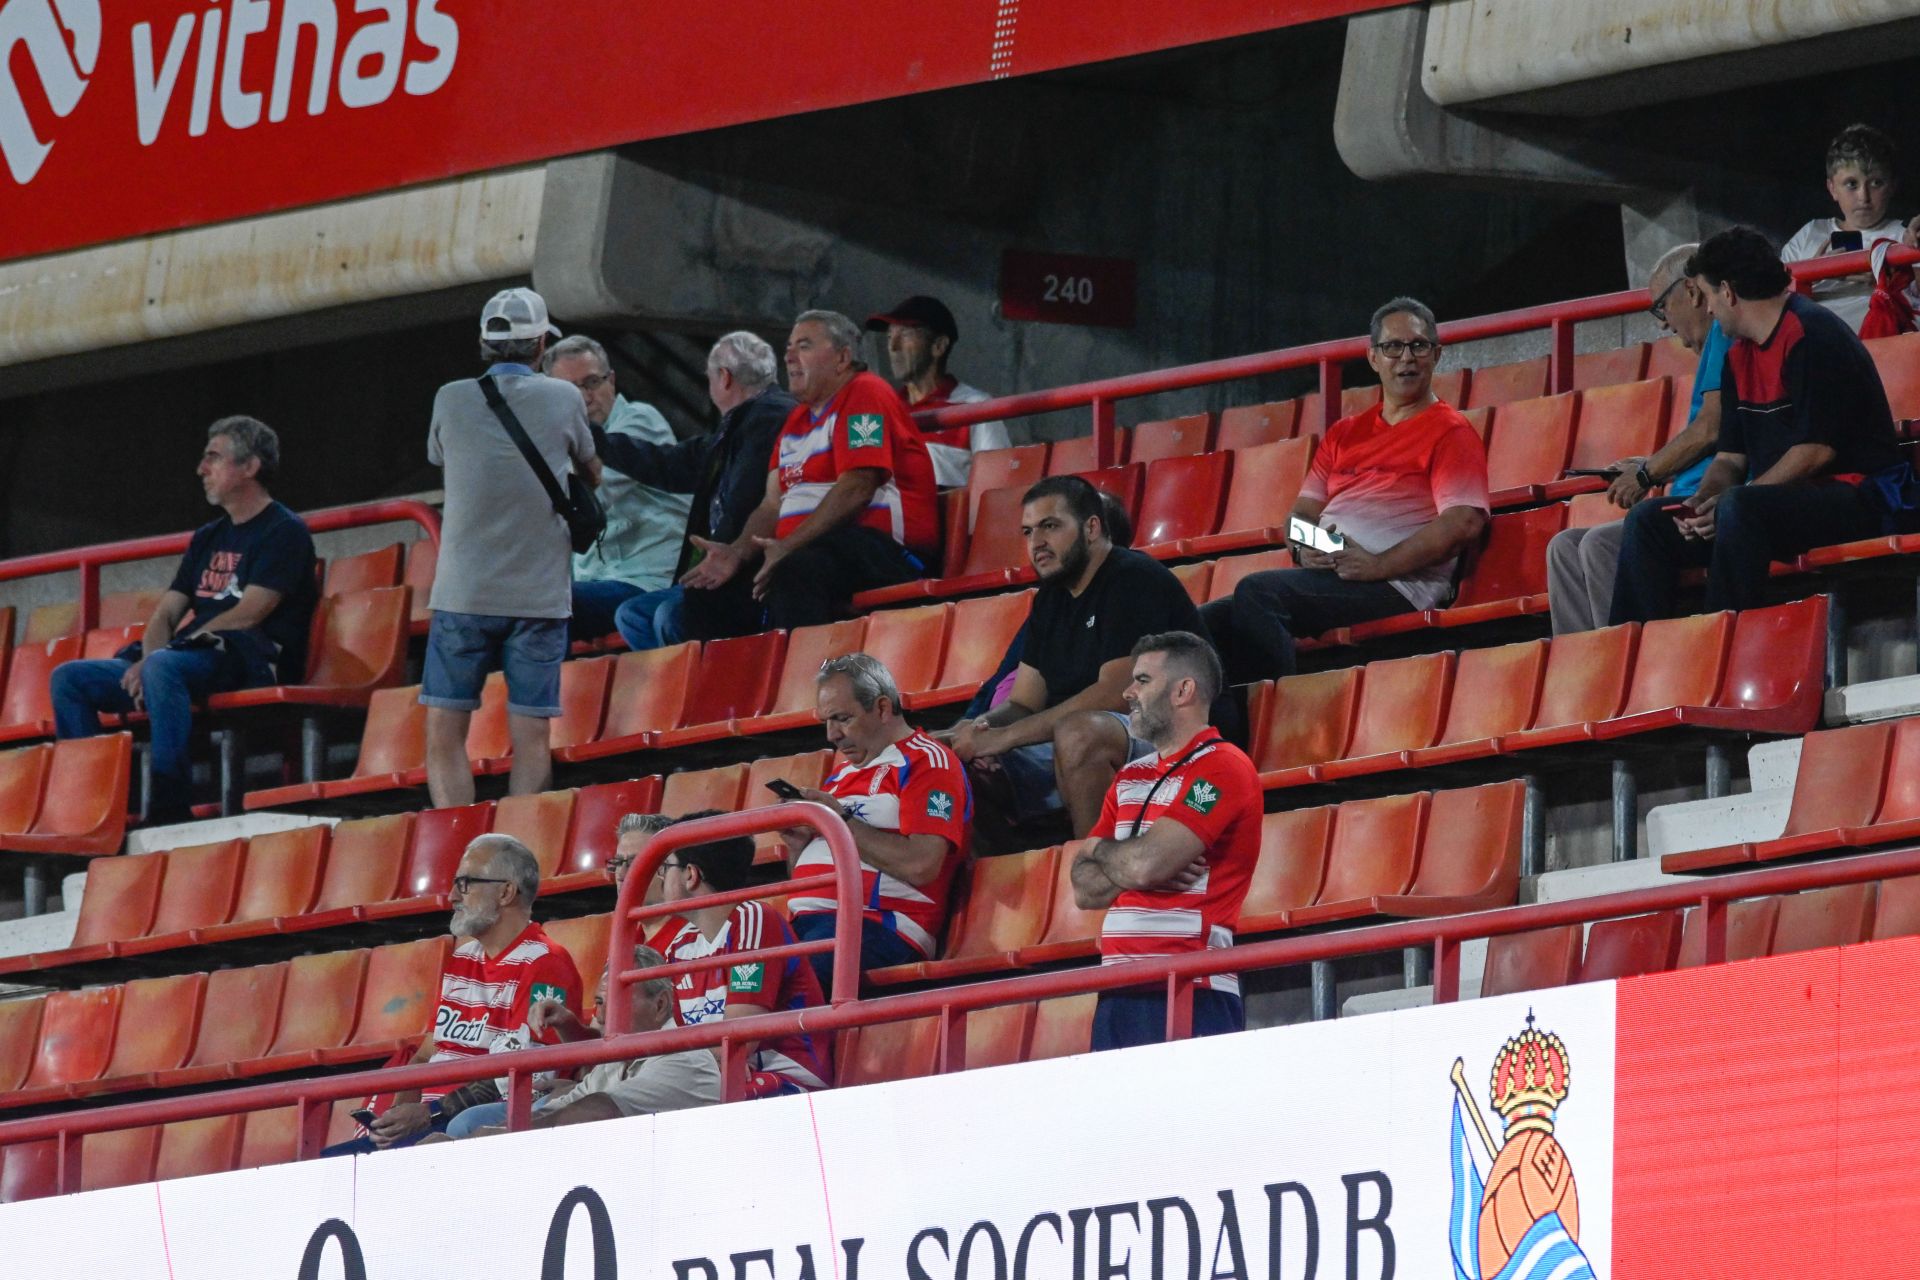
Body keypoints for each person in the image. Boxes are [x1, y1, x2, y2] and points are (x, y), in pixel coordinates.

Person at [1610, 227, 1907, 623]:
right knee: (1651, 522)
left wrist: (1734, 500)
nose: (1710, 310)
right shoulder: (1738, 355)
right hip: (1776, 503)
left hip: (1859, 496)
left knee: (1739, 508)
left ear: (1728, 292)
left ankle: (1722, 641)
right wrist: (1702, 503)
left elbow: (1816, 450)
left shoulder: (1813, 333)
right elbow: (1730, 458)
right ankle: (1643, 652)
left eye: (1709, 295)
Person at [1199, 298, 1489, 684]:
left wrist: (1378, 565)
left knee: (1259, 591)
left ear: (1436, 355)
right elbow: (1299, 516)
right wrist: (1307, 548)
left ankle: (1276, 717)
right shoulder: (1344, 433)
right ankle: (1228, 724)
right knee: (1198, 624)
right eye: (1392, 347)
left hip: (1397, 583)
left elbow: (1464, 523)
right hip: (1338, 571)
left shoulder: (1451, 432)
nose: (1407, 358)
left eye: (1418, 346)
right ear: (1373, 358)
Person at [51, 417, 317, 825]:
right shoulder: (207, 537)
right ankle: (92, 813)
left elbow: (249, 613)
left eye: (213, 457)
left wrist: (161, 659)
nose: (200, 469)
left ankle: (168, 808)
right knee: (69, 679)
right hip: (185, 658)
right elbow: (166, 613)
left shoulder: (285, 531)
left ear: (250, 467)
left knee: (162, 666)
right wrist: (151, 659)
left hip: (250, 659)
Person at [946, 475, 1203, 842]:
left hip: (1171, 733)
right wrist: (975, 730)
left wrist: (1005, 739)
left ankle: (1095, 874)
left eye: (1050, 526)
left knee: (1080, 733)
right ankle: (1009, 884)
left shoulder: (1133, 578)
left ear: (1092, 527)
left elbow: (1117, 694)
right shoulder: (1050, 598)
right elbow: (1022, 702)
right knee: (945, 758)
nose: (1037, 543)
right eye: (1028, 532)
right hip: (1085, 736)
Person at [422, 287, 597, 809]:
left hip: (463, 592)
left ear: (484, 341)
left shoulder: (450, 397)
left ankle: (463, 858)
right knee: (532, 738)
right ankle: (519, 851)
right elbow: (592, 471)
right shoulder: (564, 397)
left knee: (444, 735)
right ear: (542, 342)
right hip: (538, 594)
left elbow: (439, 455)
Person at [327, 835, 584, 1153]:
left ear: (505, 892)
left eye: (465, 884)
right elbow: (425, 1054)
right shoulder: (463, 957)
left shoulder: (546, 962)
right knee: (329, 1162)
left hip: (470, 1128)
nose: (451, 896)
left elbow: (524, 1079)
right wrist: (395, 1119)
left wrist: (429, 1113)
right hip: (427, 1122)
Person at [684, 310, 940, 629]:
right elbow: (771, 505)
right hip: (812, 552)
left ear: (843, 357)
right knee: (707, 598)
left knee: (794, 571)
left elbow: (859, 486)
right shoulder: (795, 421)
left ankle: (811, 677)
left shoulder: (866, 392)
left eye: (804, 346)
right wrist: (736, 553)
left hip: (888, 551)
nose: (788, 356)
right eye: (789, 346)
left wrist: (788, 546)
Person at [1070, 632, 1261, 1051]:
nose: (1127, 692)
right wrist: (1129, 860)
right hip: (1118, 986)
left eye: (1141, 680)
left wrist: (1102, 852)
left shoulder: (1223, 765)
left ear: (1182, 691)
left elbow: (1144, 865)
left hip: (1189, 985)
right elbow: (1084, 889)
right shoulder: (1128, 777)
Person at [1546, 244, 1732, 633]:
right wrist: (1647, 465)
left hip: (1708, 505)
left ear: (1692, 292)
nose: (1663, 323)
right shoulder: (1710, 346)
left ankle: (1619, 663)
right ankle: (1577, 665)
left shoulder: (1723, 333)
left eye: (1661, 308)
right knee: (1562, 547)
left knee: (1598, 545)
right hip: (1682, 496)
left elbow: (1712, 429)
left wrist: (1648, 473)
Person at [594, 332, 798, 649]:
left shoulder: (769, 416)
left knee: (668, 617)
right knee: (633, 615)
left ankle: (706, 694)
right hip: (728, 569)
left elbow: (747, 503)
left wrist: (729, 558)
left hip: (751, 574)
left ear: (724, 378)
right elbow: (668, 464)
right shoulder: (736, 426)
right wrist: (591, 438)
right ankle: (675, 694)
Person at [780, 653, 970, 993]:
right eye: (826, 721)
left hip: (879, 926)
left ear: (882, 708)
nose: (832, 735)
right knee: (736, 976)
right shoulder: (840, 776)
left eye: (841, 718)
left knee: (784, 982)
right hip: (810, 926)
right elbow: (807, 879)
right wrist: (797, 845)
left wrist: (839, 820)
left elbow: (922, 864)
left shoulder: (929, 762)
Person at [430, 947, 719, 1139]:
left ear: (660, 1005)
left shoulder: (684, 1057)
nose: (600, 1015)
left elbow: (596, 1109)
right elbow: (560, 1107)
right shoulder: (618, 1061)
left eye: (613, 1003)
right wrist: (477, 1139)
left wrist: (501, 1137)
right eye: (598, 1003)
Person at [653, 816, 832, 1095]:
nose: (660, 877)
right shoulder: (680, 945)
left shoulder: (754, 919)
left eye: (666, 868)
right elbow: (675, 1039)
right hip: (714, 1073)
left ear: (691, 874)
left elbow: (738, 1040)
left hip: (786, 1081)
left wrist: (700, 1062)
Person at [541, 335, 692, 643]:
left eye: (592, 382)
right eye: (569, 391)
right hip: (596, 580)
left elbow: (591, 496)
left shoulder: (639, 421)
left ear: (611, 380)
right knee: (503, 609)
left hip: (647, 579)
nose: (584, 398)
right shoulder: (556, 443)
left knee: (541, 607)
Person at [865, 295, 1009, 486]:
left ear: (939, 346)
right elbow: (858, 477)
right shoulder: (878, 411)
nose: (893, 347)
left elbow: (998, 486)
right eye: (890, 336)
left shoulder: (977, 407)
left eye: (906, 335)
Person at [1781, 124, 1907, 333]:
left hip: (1881, 350)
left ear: (1892, 186)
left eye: (1876, 183)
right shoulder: (1811, 233)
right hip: (1812, 346)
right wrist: (1812, 274)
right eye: (1851, 184)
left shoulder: (1903, 236)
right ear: (1832, 188)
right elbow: (1768, 297)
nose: (1863, 197)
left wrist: (1884, 281)